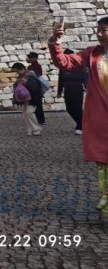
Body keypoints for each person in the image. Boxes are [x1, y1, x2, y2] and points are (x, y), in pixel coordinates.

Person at [48, 18, 108, 215]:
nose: (99, 34)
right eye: (98, 30)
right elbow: (64, 62)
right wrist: (56, 42)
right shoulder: (92, 54)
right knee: (103, 163)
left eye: (104, 30)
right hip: (101, 119)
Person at [56, 48, 86, 134]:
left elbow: (84, 77)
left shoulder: (79, 65)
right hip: (67, 89)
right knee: (69, 108)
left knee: (77, 108)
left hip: (77, 89)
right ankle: (82, 123)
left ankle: (80, 126)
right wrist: (59, 92)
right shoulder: (63, 67)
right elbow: (61, 80)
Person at [11, 62, 43, 136]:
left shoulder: (31, 76)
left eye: (17, 71)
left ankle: (37, 128)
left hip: (33, 99)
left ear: (22, 69)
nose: (17, 73)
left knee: (29, 113)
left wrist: (26, 83)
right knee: (25, 115)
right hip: (24, 100)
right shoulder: (19, 78)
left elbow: (35, 88)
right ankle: (30, 129)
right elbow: (16, 91)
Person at [26, 52, 48, 125]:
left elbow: (38, 76)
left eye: (31, 57)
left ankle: (41, 120)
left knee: (38, 105)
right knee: (32, 104)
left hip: (37, 88)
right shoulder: (30, 67)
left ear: (35, 58)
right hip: (30, 87)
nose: (29, 59)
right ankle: (35, 119)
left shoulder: (37, 66)